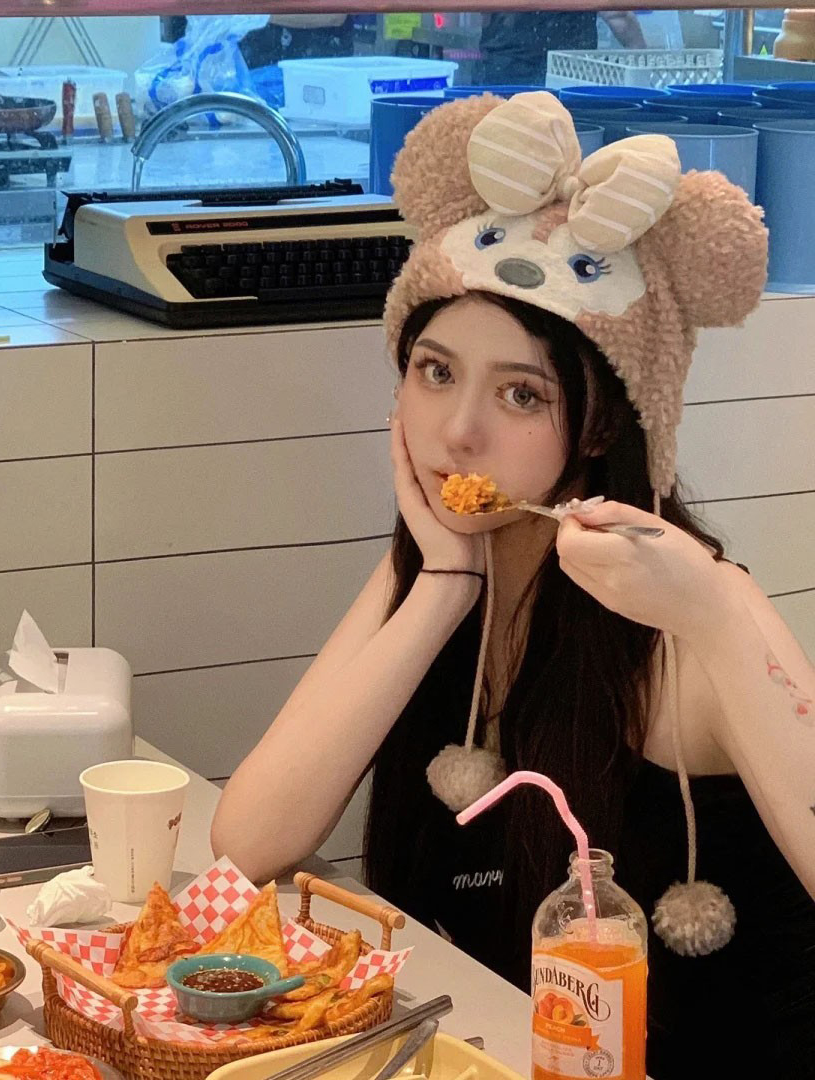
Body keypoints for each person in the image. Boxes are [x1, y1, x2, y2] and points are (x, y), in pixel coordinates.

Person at [211, 92, 815, 1078]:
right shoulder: (442, 559)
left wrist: (718, 606)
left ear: (604, 424)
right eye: (435, 372)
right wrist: (443, 585)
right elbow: (247, 843)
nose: (458, 432)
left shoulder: (686, 616)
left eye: (521, 394)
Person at [478, 10, 647, 84]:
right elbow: (618, 16)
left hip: (502, 66)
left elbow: (484, 15)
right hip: (570, 71)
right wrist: (645, 66)